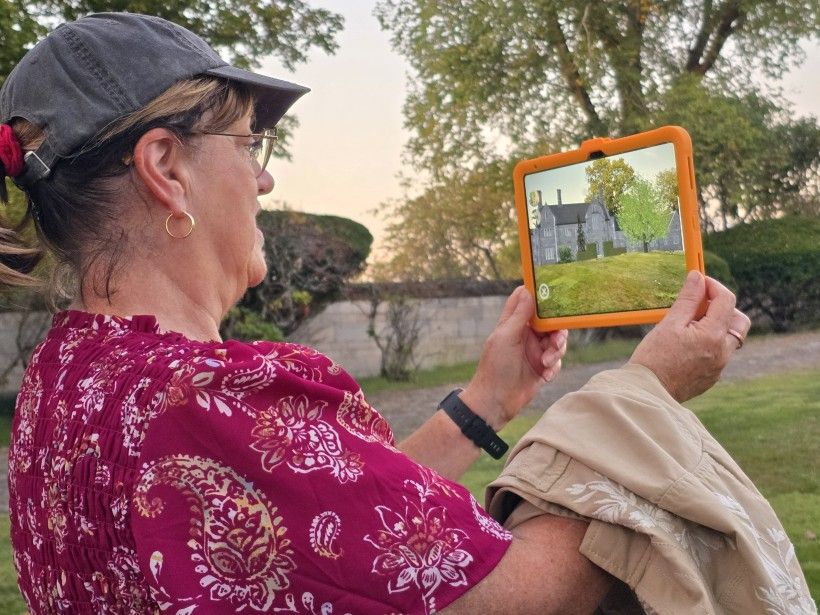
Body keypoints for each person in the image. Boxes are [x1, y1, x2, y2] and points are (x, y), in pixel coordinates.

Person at [0, 13, 767, 615]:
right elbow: (513, 595)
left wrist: (487, 400)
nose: (263, 179)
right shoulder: (204, 401)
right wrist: (645, 393)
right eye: (248, 142)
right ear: (166, 168)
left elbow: (341, 527)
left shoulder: (64, 384)